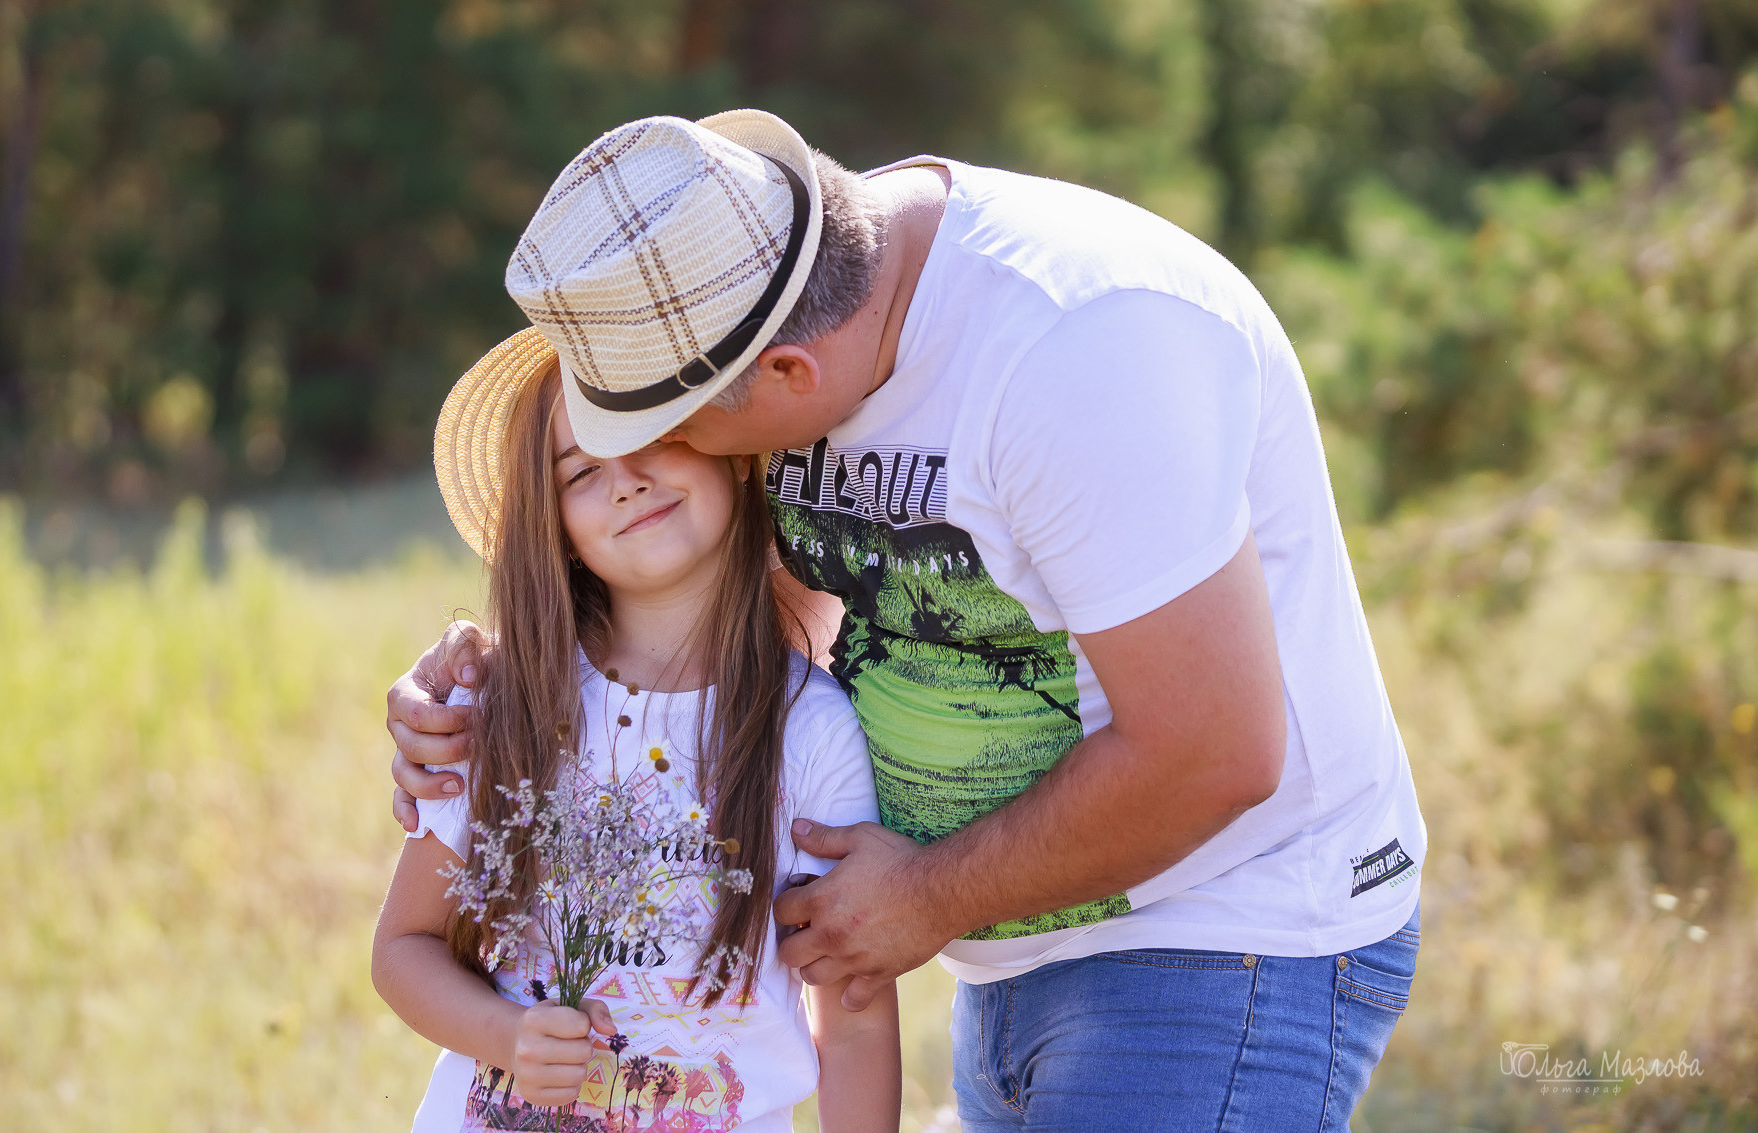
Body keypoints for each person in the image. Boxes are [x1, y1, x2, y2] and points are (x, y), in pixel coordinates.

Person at [389, 109, 1426, 1126]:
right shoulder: (781, 283)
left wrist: (927, 894)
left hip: (1220, 932)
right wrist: (502, 671)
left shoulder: (1077, 349)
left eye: (675, 433)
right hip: (1014, 945)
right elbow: (759, 597)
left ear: (790, 378)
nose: (663, 469)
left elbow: (1214, 751)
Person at [371, 330, 900, 1132]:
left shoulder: (813, 731)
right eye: (581, 471)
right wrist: (505, 1034)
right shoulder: (511, 701)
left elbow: (854, 1018)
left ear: (726, 445)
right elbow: (404, 946)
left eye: (647, 433)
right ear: (559, 530)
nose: (625, 482)